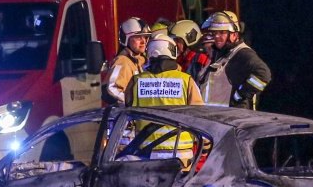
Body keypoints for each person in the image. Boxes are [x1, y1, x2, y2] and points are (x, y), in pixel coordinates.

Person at [123, 33, 203, 163]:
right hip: (180, 154)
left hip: (147, 153)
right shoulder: (186, 80)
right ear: (172, 52)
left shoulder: (136, 81)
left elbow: (128, 113)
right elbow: (200, 115)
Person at [196, 11, 271, 109]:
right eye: (215, 32)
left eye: (222, 32)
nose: (217, 36)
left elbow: (264, 74)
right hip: (214, 119)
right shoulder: (221, 53)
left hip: (230, 119)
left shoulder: (242, 53)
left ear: (234, 35)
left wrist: (239, 95)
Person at [103, 17, 151, 106]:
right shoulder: (122, 61)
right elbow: (111, 88)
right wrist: (132, 103)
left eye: (145, 37)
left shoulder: (140, 61)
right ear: (126, 39)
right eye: (138, 37)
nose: (143, 41)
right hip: (126, 116)